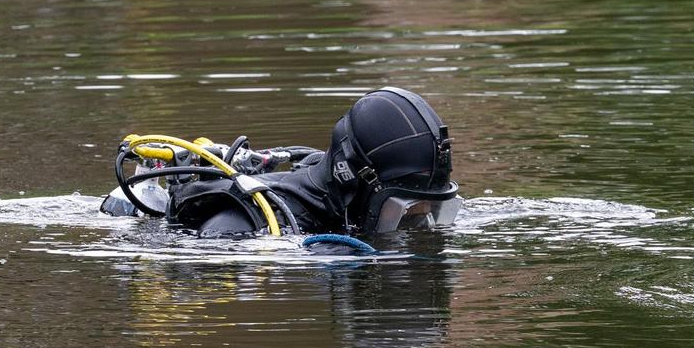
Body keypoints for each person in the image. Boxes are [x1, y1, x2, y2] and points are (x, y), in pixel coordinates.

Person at [102, 87, 462, 244]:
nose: (425, 226)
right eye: (408, 212)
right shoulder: (250, 222)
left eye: (436, 210)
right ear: (351, 177)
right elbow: (213, 249)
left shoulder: (349, 204)